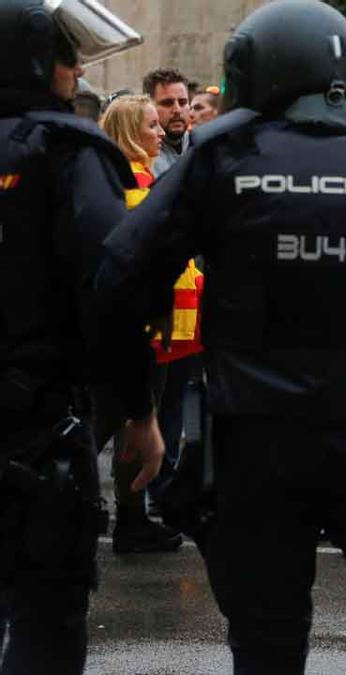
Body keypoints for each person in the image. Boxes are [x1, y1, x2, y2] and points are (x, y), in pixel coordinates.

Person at [95, 2, 346, 671]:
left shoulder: (219, 160)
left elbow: (121, 272)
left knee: (267, 642)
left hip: (256, 441)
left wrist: (138, 408)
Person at [0, 2, 162, 672]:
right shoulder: (67, 151)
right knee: (45, 625)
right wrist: (139, 410)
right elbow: (111, 285)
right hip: (33, 429)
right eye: (68, 57)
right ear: (47, 64)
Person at [96, 94, 187, 554]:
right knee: (117, 416)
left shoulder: (138, 177)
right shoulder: (130, 182)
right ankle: (127, 519)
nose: (159, 132)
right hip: (141, 328)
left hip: (154, 326)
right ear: (131, 130)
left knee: (122, 419)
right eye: (150, 125)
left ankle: (131, 516)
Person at [142, 68, 190, 177]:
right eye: (167, 103)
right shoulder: (140, 156)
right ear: (148, 106)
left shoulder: (201, 146)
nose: (177, 110)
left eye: (182, 102)